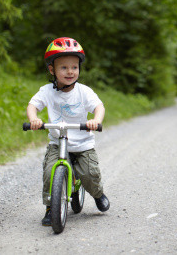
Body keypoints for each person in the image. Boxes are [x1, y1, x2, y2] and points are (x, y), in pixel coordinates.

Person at [26, 37, 110, 226]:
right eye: (64, 68)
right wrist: (34, 119)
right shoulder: (47, 91)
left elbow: (99, 106)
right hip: (58, 142)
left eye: (74, 67)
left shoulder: (83, 92)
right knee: (49, 173)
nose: (70, 71)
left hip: (82, 145)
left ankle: (98, 194)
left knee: (90, 173)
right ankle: (50, 208)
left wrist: (95, 120)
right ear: (52, 70)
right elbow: (33, 105)